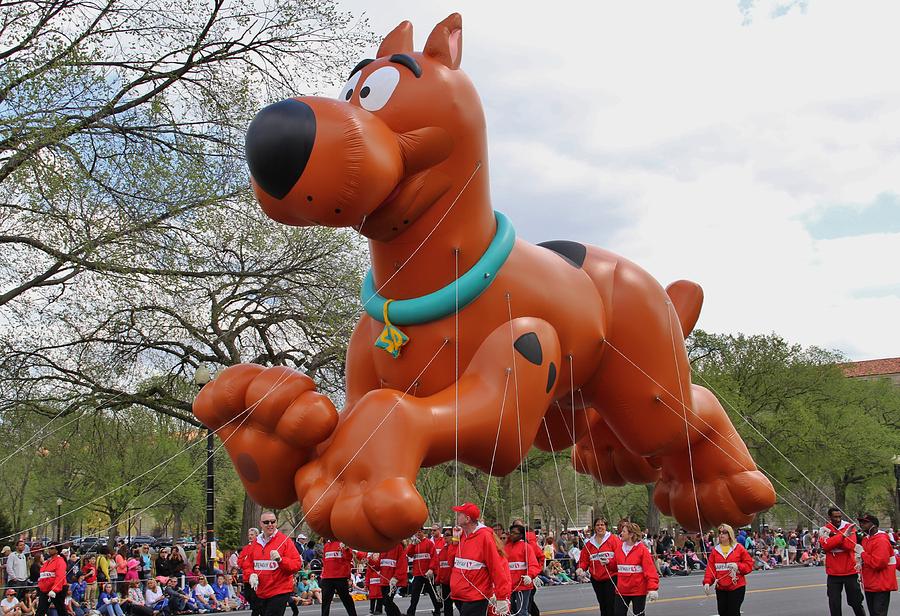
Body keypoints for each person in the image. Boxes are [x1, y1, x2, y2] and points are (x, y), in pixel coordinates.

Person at [447, 503, 511, 616]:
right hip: (459, 595)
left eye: (459, 514)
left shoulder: (484, 537)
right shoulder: (461, 535)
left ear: (467, 519)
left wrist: (502, 596)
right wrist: (455, 541)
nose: (456, 516)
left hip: (475, 596)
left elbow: (496, 567)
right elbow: (451, 562)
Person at [245, 512, 302, 616]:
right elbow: (248, 564)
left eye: (273, 521)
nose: (270, 524)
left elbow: (297, 565)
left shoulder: (285, 541)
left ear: (276, 523)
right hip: (261, 591)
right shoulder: (255, 544)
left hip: (279, 591)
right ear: (260, 524)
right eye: (266, 522)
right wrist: (251, 574)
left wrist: (281, 560)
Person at [819, 507, 865, 616]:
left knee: (856, 602)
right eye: (835, 517)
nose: (838, 519)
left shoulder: (849, 527)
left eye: (840, 516)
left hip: (850, 571)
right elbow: (826, 546)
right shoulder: (825, 528)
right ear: (830, 517)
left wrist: (834, 537)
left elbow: (850, 545)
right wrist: (842, 537)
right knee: (834, 603)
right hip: (833, 573)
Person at [702, 524, 753, 616]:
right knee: (722, 612)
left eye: (724, 532)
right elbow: (711, 568)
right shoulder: (715, 550)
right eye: (720, 532)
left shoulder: (739, 548)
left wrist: (738, 566)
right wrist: (707, 582)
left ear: (730, 534)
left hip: (736, 587)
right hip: (721, 587)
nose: (721, 534)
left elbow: (749, 565)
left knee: (733, 612)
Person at [577, 518, 620, 616]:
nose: (600, 527)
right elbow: (584, 560)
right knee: (602, 604)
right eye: (597, 525)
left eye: (602, 525)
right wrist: (581, 568)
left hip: (611, 577)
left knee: (611, 604)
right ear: (594, 527)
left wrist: (610, 562)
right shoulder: (589, 543)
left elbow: (620, 557)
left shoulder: (613, 539)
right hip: (596, 579)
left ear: (606, 526)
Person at [613, 522, 658, 616]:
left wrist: (652, 588)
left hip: (638, 591)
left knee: (639, 614)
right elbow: (614, 566)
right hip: (621, 590)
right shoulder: (618, 549)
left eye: (624, 531)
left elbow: (650, 571)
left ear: (631, 534)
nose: (621, 533)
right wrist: (606, 562)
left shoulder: (642, 550)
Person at [855, 514, 896, 616]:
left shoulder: (881, 540)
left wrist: (862, 554)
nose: (862, 524)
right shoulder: (866, 539)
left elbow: (878, 564)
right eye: (861, 522)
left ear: (874, 525)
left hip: (880, 584)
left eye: (865, 522)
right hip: (870, 584)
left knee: (879, 613)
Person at [506, 524, 539, 616]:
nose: (512, 535)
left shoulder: (526, 547)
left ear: (521, 535)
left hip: (522, 584)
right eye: (511, 532)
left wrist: (530, 575)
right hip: (509, 585)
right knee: (509, 611)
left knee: (521, 612)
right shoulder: (506, 547)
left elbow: (533, 564)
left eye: (515, 533)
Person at [319, 539, 356, 616]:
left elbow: (349, 558)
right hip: (327, 577)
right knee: (325, 600)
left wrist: (346, 549)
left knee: (346, 598)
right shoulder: (326, 545)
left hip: (340, 576)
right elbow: (324, 561)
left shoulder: (343, 543)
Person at [406, 530, 439, 616]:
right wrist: (413, 544)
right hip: (417, 574)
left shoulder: (429, 543)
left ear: (423, 532)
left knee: (433, 593)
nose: (418, 534)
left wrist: (431, 569)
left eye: (420, 532)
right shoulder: (414, 543)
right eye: (416, 532)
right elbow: (409, 553)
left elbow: (434, 556)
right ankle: (411, 613)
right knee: (414, 595)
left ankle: (437, 610)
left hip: (428, 573)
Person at [35, 544, 67, 616]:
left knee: (61, 609)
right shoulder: (47, 562)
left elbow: (60, 576)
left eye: (52, 548)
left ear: (57, 550)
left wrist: (54, 589)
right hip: (46, 590)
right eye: (49, 548)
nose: (49, 549)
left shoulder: (60, 561)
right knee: (40, 610)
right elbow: (43, 575)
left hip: (57, 590)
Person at [378, 543, 406, 616]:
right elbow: (379, 565)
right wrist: (369, 561)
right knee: (386, 602)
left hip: (392, 581)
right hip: (384, 580)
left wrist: (396, 577)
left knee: (387, 601)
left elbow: (402, 563)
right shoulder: (382, 547)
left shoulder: (398, 547)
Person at [237, 529, 259, 616]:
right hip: (246, 577)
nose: (250, 536)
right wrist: (244, 561)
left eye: (252, 535)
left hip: (254, 577)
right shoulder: (246, 548)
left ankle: (257, 612)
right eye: (249, 535)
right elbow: (240, 561)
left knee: (254, 597)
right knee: (248, 596)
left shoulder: (258, 547)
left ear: (256, 536)